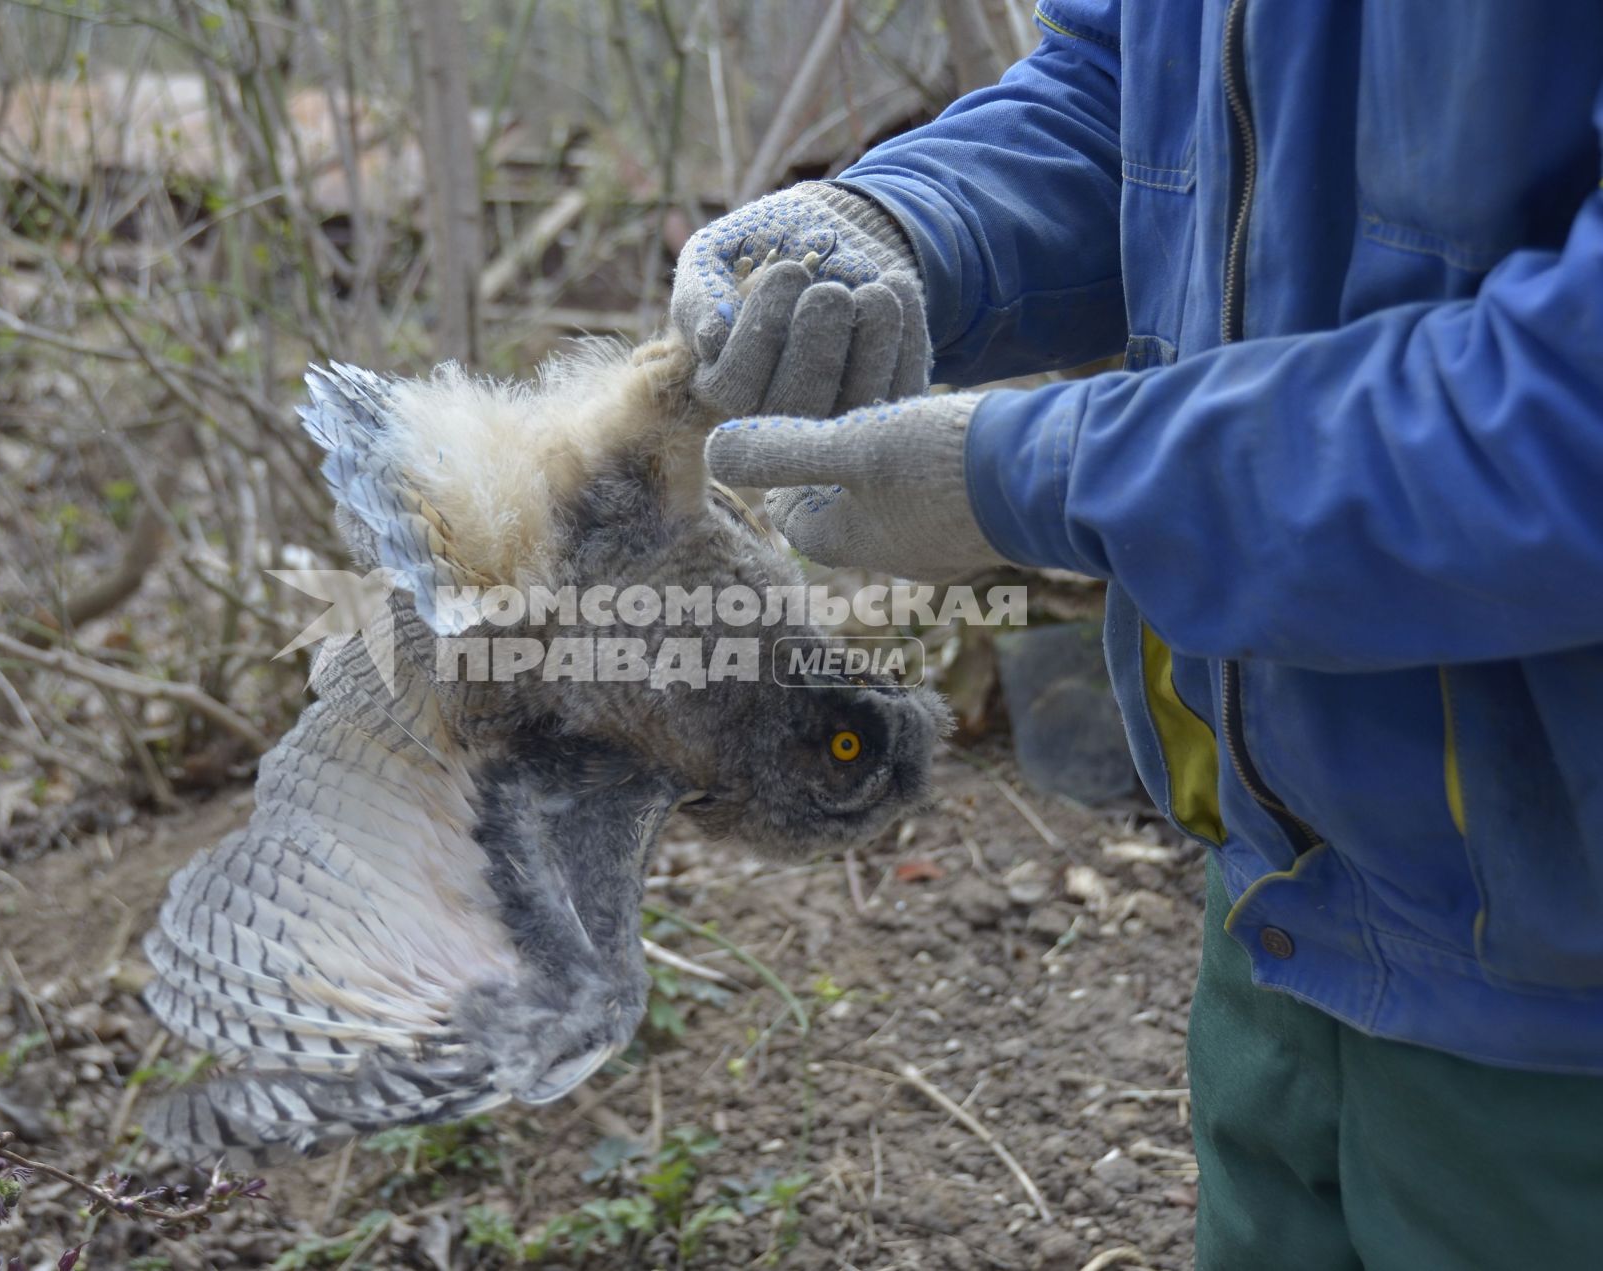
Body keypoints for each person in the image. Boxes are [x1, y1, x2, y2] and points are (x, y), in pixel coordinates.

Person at [669, 3, 1603, 1267]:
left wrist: (1038, 478)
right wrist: (906, 222)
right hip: (1279, 914)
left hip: (1559, 1021)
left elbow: (1570, 407)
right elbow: (1141, 95)